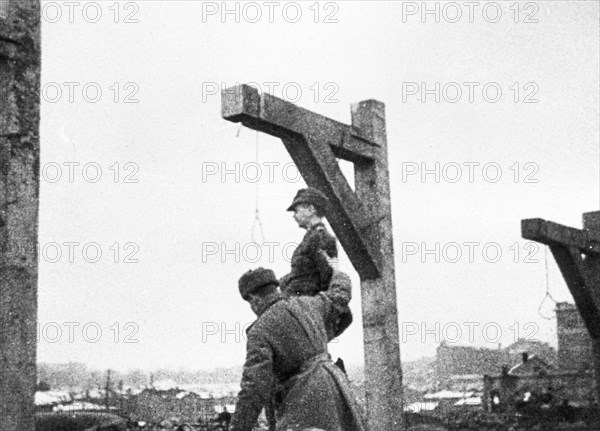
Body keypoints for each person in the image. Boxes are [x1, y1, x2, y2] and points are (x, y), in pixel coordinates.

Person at [229, 257, 365, 431]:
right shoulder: (310, 304)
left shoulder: (260, 331)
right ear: (275, 289)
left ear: (254, 299)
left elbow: (254, 387)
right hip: (336, 387)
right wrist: (336, 270)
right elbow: (341, 294)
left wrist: (238, 427)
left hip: (304, 399)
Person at [281, 187, 352, 338]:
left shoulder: (322, 238)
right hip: (299, 304)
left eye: (297, 210)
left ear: (311, 209)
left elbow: (327, 277)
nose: (294, 216)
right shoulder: (311, 237)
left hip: (307, 308)